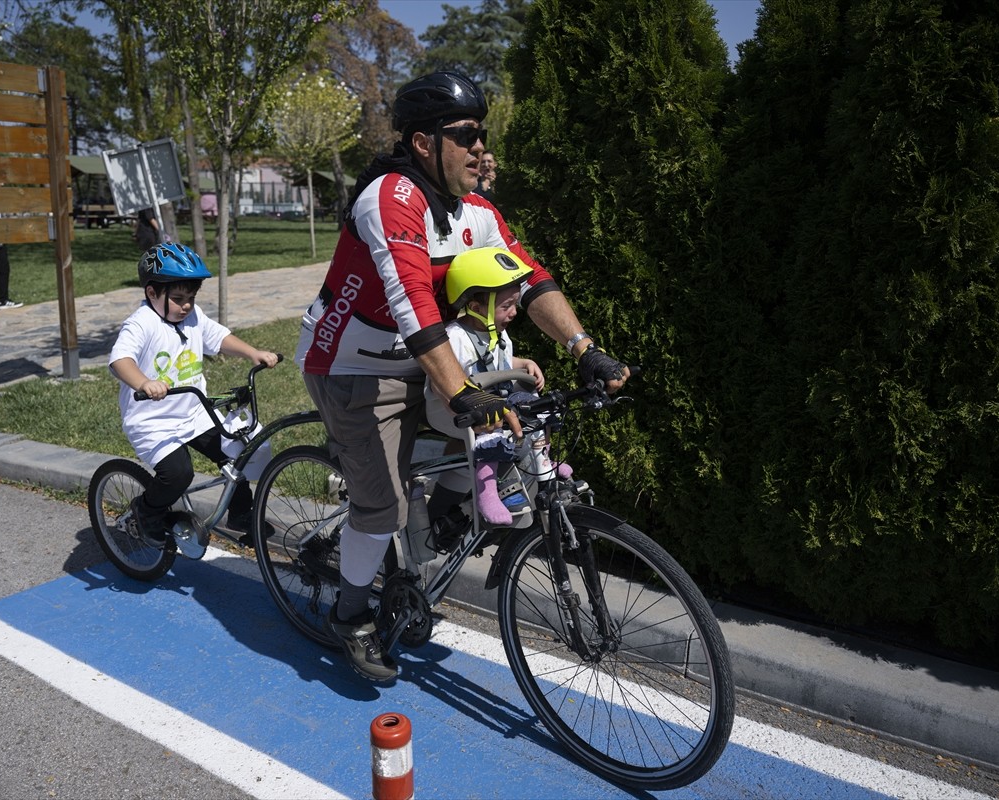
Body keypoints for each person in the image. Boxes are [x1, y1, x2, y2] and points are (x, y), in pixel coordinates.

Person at [294, 70, 629, 682]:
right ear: (424, 143)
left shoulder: (474, 209)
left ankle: (434, 533)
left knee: (502, 437)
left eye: (484, 133)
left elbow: (528, 278)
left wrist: (584, 350)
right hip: (353, 365)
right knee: (382, 508)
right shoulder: (390, 198)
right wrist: (462, 392)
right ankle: (350, 618)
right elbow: (412, 305)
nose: (481, 147)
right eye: (466, 134)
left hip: (434, 356)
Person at [109, 243, 280, 546]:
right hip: (152, 420)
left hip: (194, 411)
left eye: (191, 297)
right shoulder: (141, 323)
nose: (186, 305)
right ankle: (145, 512)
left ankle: (241, 514)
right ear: (152, 294)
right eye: (177, 299)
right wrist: (144, 383)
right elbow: (120, 360)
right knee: (178, 474)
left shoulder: (192, 316)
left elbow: (218, 337)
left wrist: (252, 353)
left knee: (237, 451)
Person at [424, 246, 572, 527]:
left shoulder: (497, 333)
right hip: (449, 407)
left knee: (535, 405)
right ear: (476, 307)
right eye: (507, 306)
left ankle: (542, 459)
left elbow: (496, 362)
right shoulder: (456, 337)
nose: (514, 312)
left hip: (490, 398)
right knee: (495, 418)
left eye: (515, 304)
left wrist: (522, 362)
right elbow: (448, 378)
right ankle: (487, 489)